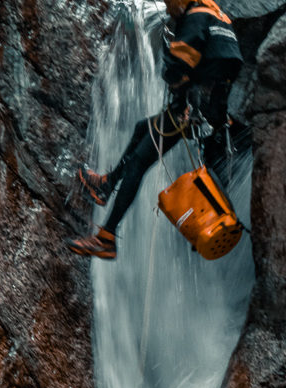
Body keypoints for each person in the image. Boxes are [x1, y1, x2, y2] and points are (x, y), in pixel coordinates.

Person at [68, 0, 245, 261]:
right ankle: (106, 185)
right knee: (143, 128)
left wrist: (176, 83)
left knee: (139, 162)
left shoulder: (195, 18)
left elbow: (177, 68)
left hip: (191, 113)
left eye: (170, 2)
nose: (169, 7)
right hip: (207, 112)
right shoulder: (219, 18)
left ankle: (106, 237)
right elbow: (226, 65)